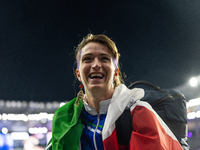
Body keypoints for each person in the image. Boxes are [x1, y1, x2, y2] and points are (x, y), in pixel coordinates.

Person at [45, 34, 183, 150]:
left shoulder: (138, 112)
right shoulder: (65, 118)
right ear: (78, 74)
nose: (96, 64)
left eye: (104, 58)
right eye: (88, 59)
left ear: (116, 73)